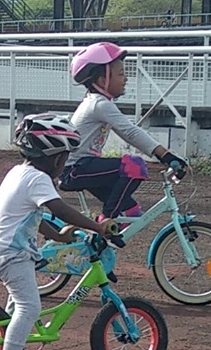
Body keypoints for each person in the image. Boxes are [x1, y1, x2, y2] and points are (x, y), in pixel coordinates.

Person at [0, 112, 121, 350]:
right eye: (65, 157)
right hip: (11, 254)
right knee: (29, 307)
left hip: (4, 249)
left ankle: (14, 348)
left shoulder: (18, 172)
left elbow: (31, 215)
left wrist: (58, 235)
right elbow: (59, 209)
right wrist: (97, 227)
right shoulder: (38, 179)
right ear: (55, 158)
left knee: (17, 302)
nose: (65, 162)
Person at [65, 42, 188, 220]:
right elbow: (130, 132)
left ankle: (100, 241)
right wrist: (166, 156)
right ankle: (105, 222)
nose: (126, 78)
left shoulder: (99, 102)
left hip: (85, 167)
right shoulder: (99, 104)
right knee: (134, 166)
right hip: (74, 169)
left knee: (131, 211)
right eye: (121, 74)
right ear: (102, 80)